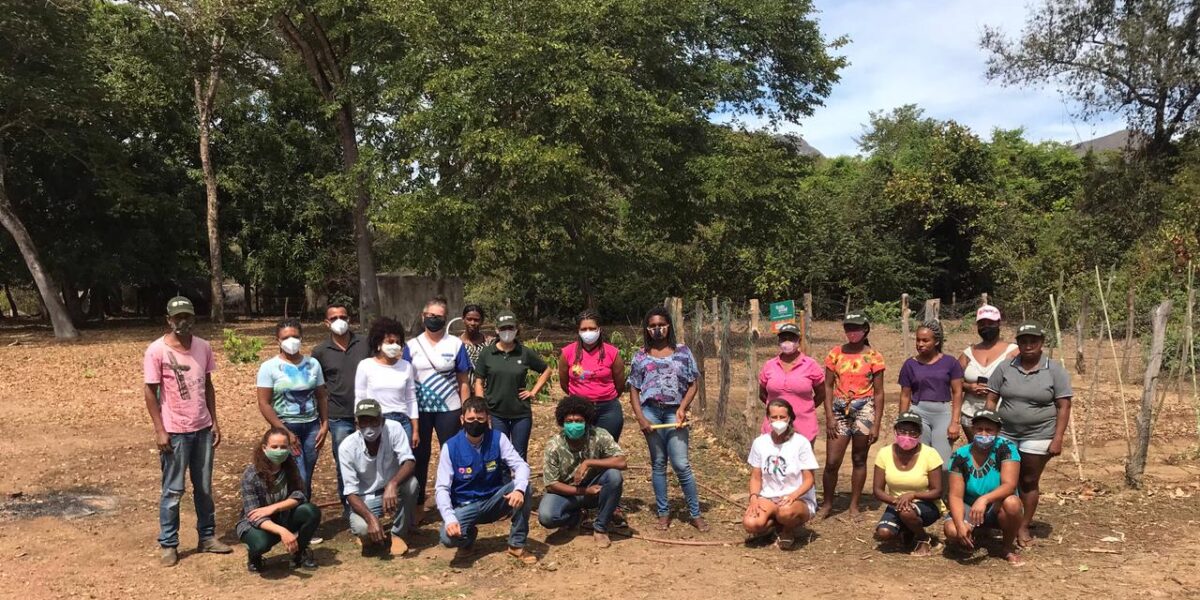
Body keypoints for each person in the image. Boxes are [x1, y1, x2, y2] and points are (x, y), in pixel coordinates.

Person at [143, 296, 232, 566]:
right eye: (178, 317)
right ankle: (169, 543)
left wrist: (215, 421)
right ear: (169, 320)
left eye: (187, 317)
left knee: (204, 487)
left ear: (194, 318)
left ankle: (207, 537)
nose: (183, 322)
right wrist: (160, 430)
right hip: (175, 431)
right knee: (173, 490)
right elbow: (150, 391)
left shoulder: (203, 347)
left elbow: (208, 384)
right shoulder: (156, 350)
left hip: (202, 428)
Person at [985, 322, 1073, 548]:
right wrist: (988, 427)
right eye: (1023, 341)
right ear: (1018, 343)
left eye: (1033, 341)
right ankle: (1002, 518)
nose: (1028, 345)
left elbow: (1064, 406)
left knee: (1028, 480)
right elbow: (992, 399)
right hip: (1006, 431)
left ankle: (1023, 525)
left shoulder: (1054, 370)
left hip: (1039, 433)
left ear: (1041, 343)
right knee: (1004, 479)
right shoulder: (1005, 367)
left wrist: (1058, 438)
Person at [627, 306, 708, 531]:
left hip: (675, 413)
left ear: (668, 326)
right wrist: (641, 418)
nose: (657, 329)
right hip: (651, 412)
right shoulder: (640, 355)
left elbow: (693, 384)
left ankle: (695, 513)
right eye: (652, 326)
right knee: (659, 463)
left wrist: (683, 407)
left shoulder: (683, 352)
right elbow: (633, 389)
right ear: (647, 329)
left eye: (661, 325)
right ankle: (663, 513)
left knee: (681, 464)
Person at [435, 397, 538, 565]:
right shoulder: (450, 447)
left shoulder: (498, 439)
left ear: (488, 419)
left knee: (525, 487)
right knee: (447, 538)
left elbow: (521, 466)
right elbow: (442, 488)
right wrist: (449, 517)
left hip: (494, 500)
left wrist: (519, 489)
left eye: (480, 419)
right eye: (470, 419)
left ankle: (516, 544)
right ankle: (467, 539)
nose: (475, 423)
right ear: (462, 419)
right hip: (465, 505)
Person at [405, 296, 472, 508]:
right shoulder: (411, 346)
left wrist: (466, 410)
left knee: (452, 453)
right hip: (420, 411)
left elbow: (463, 381)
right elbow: (405, 381)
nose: (434, 319)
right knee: (419, 456)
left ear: (446, 319)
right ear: (422, 316)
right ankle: (417, 503)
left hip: (450, 409)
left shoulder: (455, 344)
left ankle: (455, 500)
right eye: (430, 315)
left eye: (439, 316)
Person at [819, 312, 886, 520]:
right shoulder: (835, 354)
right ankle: (827, 504)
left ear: (865, 329)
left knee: (859, 458)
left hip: (864, 409)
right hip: (839, 410)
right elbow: (827, 386)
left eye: (856, 328)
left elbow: (879, 392)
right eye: (848, 328)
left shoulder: (874, 357)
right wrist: (829, 416)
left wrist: (876, 424)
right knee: (832, 461)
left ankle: (854, 506)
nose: (852, 332)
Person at [538, 396, 628, 548]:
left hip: (594, 489)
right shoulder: (554, 445)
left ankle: (601, 528)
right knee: (547, 517)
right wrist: (585, 491)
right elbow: (551, 484)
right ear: (562, 422)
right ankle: (575, 517)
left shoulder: (599, 435)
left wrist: (588, 462)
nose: (574, 425)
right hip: (565, 492)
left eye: (578, 421)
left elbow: (621, 462)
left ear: (586, 421)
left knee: (614, 476)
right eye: (569, 421)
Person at [256, 319, 329, 499]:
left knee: (307, 475)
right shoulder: (269, 367)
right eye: (285, 337)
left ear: (302, 337)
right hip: (285, 426)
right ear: (278, 340)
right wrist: (284, 432)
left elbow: (321, 395)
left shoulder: (313, 364)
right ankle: (296, 510)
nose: (291, 341)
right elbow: (264, 403)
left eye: (295, 336)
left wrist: (325, 424)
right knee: (298, 475)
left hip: (312, 428)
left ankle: (303, 510)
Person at [338, 399, 420, 557]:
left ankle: (398, 534)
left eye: (373, 421)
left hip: (392, 491)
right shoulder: (347, 447)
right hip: (366, 498)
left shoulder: (394, 428)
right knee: (362, 528)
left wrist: (393, 484)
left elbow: (409, 461)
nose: (369, 427)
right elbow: (350, 492)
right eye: (364, 422)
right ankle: (368, 535)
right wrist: (371, 519)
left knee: (412, 485)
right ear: (357, 424)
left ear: (382, 420)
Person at [943, 410, 1025, 567]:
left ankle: (1007, 547)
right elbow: (955, 495)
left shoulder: (1006, 448)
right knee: (952, 531)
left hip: (996, 506)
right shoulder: (960, 456)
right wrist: (959, 524)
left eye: (989, 430)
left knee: (1013, 503)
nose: (984, 434)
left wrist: (984, 499)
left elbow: (1009, 485)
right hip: (969, 506)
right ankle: (969, 536)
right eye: (979, 429)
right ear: (972, 429)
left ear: (998, 431)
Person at [312, 302, 371, 515]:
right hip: (338, 417)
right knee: (344, 463)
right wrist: (323, 419)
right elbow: (319, 388)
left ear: (350, 319)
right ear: (326, 323)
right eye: (334, 318)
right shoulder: (320, 352)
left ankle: (371, 503)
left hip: (368, 414)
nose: (339, 321)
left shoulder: (365, 344)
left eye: (343, 317)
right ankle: (350, 507)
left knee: (369, 459)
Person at [237, 427, 322, 572]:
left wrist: (273, 508)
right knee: (261, 544)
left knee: (311, 511)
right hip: (256, 524)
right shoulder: (251, 475)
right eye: (274, 447)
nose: (279, 451)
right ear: (264, 448)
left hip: (283, 516)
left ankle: (299, 553)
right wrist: (283, 531)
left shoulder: (290, 467)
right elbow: (253, 516)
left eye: (283, 447)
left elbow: (300, 495)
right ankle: (254, 556)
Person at [472, 310, 551, 459]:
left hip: (520, 413)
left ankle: (520, 476)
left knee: (519, 455)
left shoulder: (525, 353)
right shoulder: (487, 353)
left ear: (516, 329)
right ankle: (503, 476)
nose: (507, 331)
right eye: (503, 328)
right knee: (499, 453)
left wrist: (533, 391)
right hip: (495, 412)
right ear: (497, 330)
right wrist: (482, 407)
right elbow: (479, 382)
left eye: (510, 327)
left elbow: (546, 370)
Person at [743, 399, 819, 550]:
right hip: (769, 496)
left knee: (785, 512)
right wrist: (754, 498)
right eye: (774, 417)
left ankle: (788, 530)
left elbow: (809, 480)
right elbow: (756, 477)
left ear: (790, 418)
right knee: (751, 524)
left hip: (796, 499)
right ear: (768, 418)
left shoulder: (801, 443)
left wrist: (793, 495)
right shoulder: (760, 443)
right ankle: (774, 524)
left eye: (782, 417)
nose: (778, 421)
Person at [871, 411, 944, 556]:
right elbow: (877, 490)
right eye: (903, 431)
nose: (907, 436)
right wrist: (897, 501)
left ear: (920, 434)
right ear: (895, 431)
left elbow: (937, 491)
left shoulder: (930, 454)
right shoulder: (884, 453)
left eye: (913, 433)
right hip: (896, 504)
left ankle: (924, 538)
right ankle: (908, 529)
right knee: (884, 533)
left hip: (926, 504)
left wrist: (913, 495)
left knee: (906, 513)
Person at [898, 320, 964, 466]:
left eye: (925, 340)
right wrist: (902, 422)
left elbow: (957, 392)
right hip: (918, 413)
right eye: (918, 340)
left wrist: (954, 422)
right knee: (920, 460)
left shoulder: (950, 362)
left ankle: (943, 483)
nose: (920, 344)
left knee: (943, 463)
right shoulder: (910, 365)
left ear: (936, 342)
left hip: (943, 414)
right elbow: (905, 395)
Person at [558, 310, 627, 442]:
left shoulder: (612, 353)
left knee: (607, 448)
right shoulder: (567, 353)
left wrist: (602, 395)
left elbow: (620, 385)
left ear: (599, 329)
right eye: (584, 329)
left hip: (608, 410)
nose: (588, 332)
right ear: (578, 331)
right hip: (579, 410)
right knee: (579, 447)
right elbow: (564, 383)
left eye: (592, 328)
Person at [757, 323, 826, 443]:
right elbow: (762, 394)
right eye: (783, 338)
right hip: (774, 428)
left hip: (804, 428)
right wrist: (777, 409)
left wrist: (804, 408)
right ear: (779, 341)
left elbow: (821, 394)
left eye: (791, 338)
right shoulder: (770, 365)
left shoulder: (811, 365)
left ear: (799, 340)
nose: (787, 342)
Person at [355, 317, 419, 443]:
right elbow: (360, 397)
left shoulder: (406, 366)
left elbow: (411, 399)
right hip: (375, 421)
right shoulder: (365, 365)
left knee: (404, 455)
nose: (394, 346)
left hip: (402, 422)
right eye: (390, 342)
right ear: (379, 343)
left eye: (398, 342)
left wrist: (415, 429)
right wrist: (359, 423)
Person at [958, 304, 1018, 438]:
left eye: (990, 323)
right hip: (970, 413)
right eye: (982, 324)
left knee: (1000, 448)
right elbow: (954, 381)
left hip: (1001, 414)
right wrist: (969, 387)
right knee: (975, 447)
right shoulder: (968, 353)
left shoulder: (1013, 351)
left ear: (998, 323)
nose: (986, 327)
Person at [459, 304, 495, 389]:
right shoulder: (456, 345)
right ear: (463, 319)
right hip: (464, 391)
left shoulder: (490, 343)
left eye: (476, 320)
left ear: (482, 321)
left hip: (487, 391)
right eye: (469, 319)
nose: (472, 323)